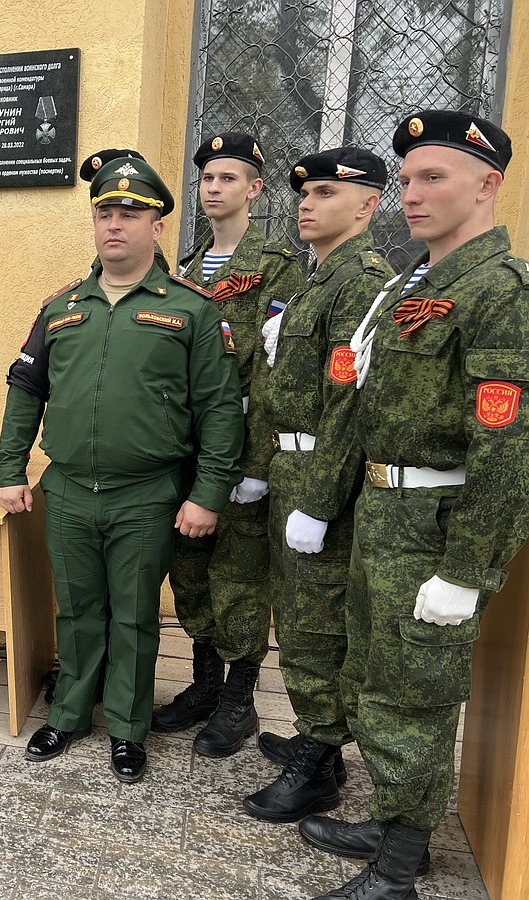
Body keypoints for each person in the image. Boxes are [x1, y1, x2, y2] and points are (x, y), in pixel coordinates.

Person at [303, 111, 529, 900]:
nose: (411, 194)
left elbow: (507, 444)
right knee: (374, 676)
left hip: (435, 527)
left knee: (414, 696)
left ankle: (399, 870)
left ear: (487, 184)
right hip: (382, 514)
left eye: (432, 177)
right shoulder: (420, 285)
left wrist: (469, 569)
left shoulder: (500, 291)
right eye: (403, 180)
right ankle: (396, 825)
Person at [0, 155, 243, 783]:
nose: (115, 225)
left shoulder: (191, 309)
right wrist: (9, 469)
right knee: (77, 610)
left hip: (147, 494)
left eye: (130, 214)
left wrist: (208, 492)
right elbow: (26, 390)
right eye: (105, 213)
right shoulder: (61, 307)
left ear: (156, 225)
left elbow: (219, 408)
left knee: (134, 614)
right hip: (71, 489)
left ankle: (129, 729)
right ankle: (71, 713)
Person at [242, 149, 395, 824]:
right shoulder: (319, 279)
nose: (306, 202)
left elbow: (349, 406)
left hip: (319, 479)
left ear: (368, 206)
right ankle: (317, 738)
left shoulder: (362, 280)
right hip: (290, 467)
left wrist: (321, 501)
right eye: (304, 192)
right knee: (299, 616)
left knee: (316, 626)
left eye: (327, 192)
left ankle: (320, 760)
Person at [153, 133, 305, 759]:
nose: (213, 188)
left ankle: (240, 698)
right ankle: (204, 684)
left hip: (242, 448)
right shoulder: (183, 267)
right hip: (187, 448)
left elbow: (280, 370)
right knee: (190, 571)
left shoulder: (278, 264)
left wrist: (259, 463)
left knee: (240, 576)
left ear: (255, 188)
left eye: (228, 178)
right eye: (207, 178)